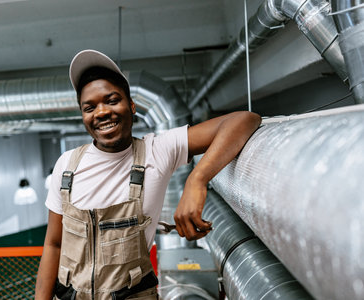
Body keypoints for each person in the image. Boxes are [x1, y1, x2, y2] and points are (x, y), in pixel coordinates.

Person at [35, 49, 261, 300]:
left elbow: (243, 120)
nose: (101, 112)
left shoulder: (157, 151)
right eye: (90, 107)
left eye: (111, 100)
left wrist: (197, 179)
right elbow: (53, 244)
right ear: (83, 116)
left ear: (131, 106)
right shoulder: (67, 165)